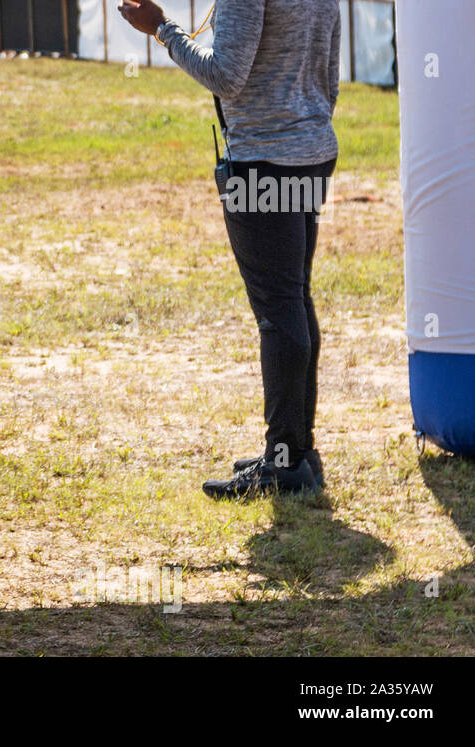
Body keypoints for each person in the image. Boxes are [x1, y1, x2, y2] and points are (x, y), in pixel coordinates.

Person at [119, 0, 341, 498]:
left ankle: (284, 463)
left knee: (280, 309)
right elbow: (330, 77)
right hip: (311, 152)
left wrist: (162, 29)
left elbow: (226, 76)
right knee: (295, 298)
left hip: (264, 162)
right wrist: (302, 125)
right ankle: (296, 453)